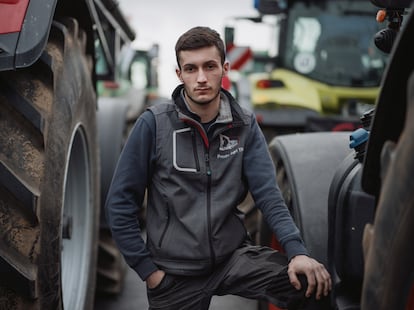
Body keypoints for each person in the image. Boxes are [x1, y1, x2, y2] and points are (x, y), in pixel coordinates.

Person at [105, 26, 331, 310]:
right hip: (174, 273)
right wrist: (150, 273)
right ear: (179, 74)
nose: (201, 78)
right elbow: (119, 203)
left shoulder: (244, 125)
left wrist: (298, 252)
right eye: (191, 68)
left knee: (313, 284)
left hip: (232, 258)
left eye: (209, 66)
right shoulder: (154, 125)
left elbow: (268, 195)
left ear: (224, 68)